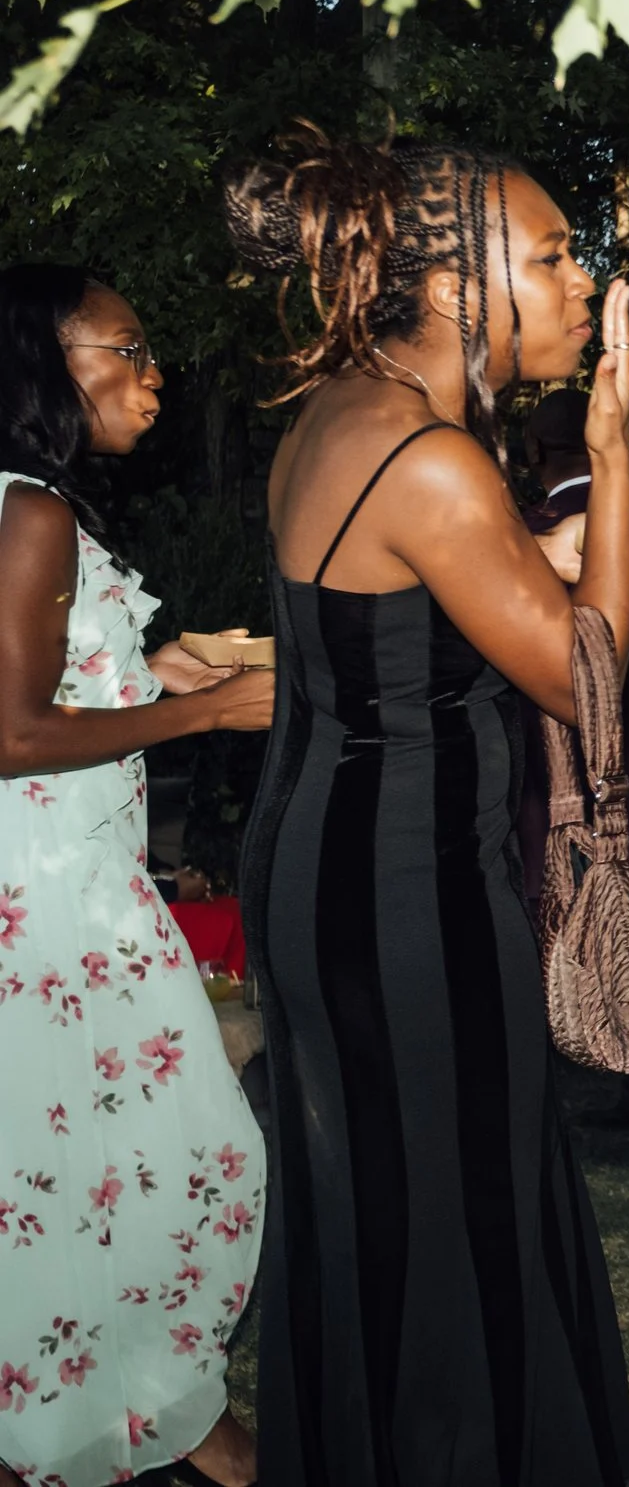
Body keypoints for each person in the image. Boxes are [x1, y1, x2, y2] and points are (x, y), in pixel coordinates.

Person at [228, 133, 629, 1486]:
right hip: (399, 896)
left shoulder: (343, 412)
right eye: (552, 255)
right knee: (456, 1223)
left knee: (382, 1216)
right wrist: (612, 450)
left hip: (331, 873)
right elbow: (592, 675)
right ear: (462, 284)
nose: (582, 281)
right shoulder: (428, 454)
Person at [0, 263, 273, 1487]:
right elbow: (7, 732)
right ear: (50, 365)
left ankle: (139, 1412)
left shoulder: (27, 503)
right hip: (50, 898)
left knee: (64, 1179)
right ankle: (121, 1410)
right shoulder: (32, 512)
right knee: (181, 1156)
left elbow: (50, 687)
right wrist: (206, 714)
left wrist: (152, 668)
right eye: (127, 348)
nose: (152, 372)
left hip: (66, 880)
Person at [518, 387, 629, 1139]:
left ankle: (541, 1082)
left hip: (549, 766)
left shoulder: (519, 534)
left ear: (534, 458)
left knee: (543, 910)